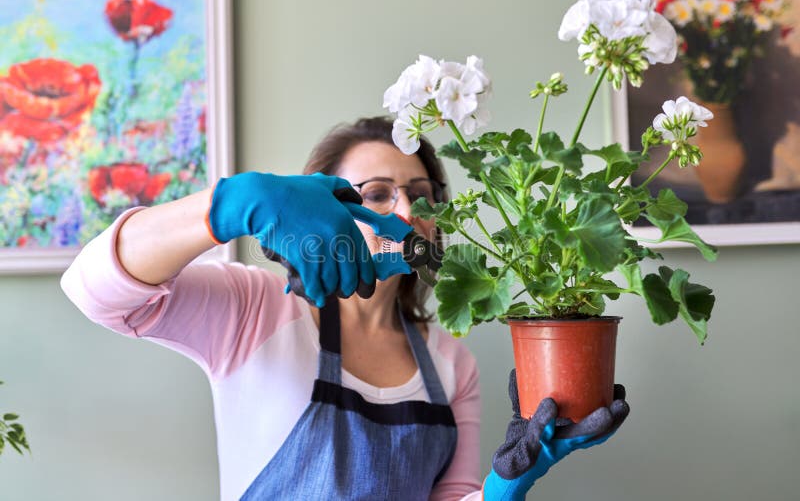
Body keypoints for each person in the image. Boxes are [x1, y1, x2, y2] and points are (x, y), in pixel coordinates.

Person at [61, 116, 628, 500]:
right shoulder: (255, 309)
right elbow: (94, 291)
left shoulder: (450, 362)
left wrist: (507, 486)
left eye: (422, 193)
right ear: (320, 205)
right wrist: (232, 205)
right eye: (377, 193)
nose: (406, 208)